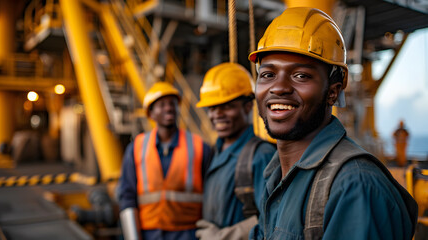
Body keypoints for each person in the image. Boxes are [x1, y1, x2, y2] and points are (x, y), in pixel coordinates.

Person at [247, 7, 418, 239]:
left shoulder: (355, 186)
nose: (279, 87)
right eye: (267, 75)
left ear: (333, 92)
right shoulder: (276, 174)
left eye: (301, 76)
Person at [117, 81, 212, 240]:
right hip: (149, 234)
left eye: (172, 104)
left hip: (189, 234)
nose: (168, 108)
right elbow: (127, 195)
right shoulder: (136, 148)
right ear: (151, 113)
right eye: (161, 104)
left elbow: (212, 195)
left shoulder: (199, 147)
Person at [195, 62, 276, 240]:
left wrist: (224, 236)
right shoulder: (214, 153)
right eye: (212, 108)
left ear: (248, 106)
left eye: (227, 106)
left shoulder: (261, 156)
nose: (217, 114)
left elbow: (274, 220)